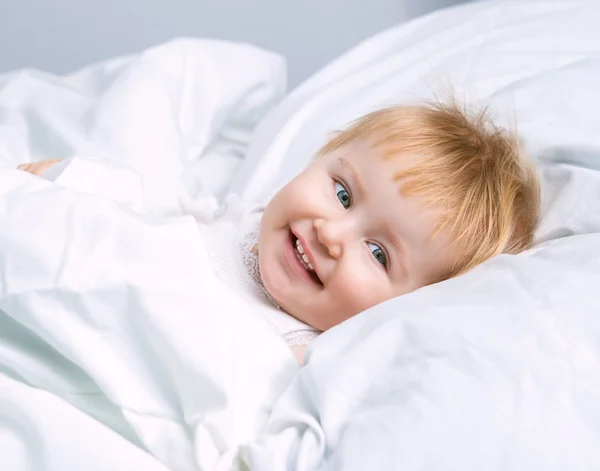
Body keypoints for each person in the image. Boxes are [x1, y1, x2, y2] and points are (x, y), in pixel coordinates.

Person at [17, 99, 541, 364]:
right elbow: (156, 208)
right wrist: (73, 179)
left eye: (378, 253)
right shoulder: (243, 219)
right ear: (322, 157)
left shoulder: (302, 350)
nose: (332, 233)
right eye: (342, 193)